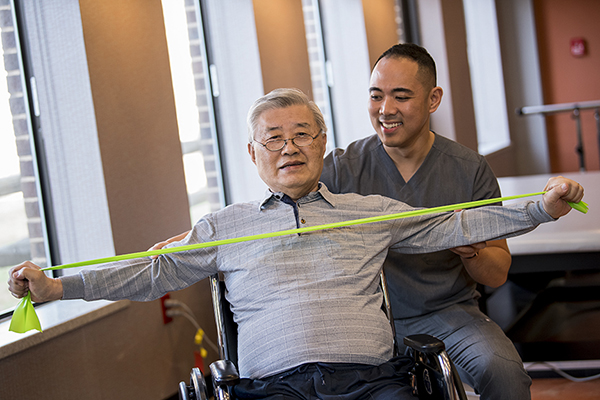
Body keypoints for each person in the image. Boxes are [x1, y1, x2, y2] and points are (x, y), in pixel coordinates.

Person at [8, 88, 583, 400]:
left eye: (302, 134)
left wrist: (541, 209)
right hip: (270, 389)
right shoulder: (223, 226)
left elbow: (455, 225)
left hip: (371, 383)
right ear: (253, 155)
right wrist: (58, 285)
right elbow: (148, 273)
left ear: (323, 144)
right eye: (273, 139)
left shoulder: (369, 213)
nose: (289, 147)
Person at [320, 43, 532, 399]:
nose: (386, 110)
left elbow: (496, 273)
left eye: (401, 97)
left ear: (433, 99)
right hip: (364, 319)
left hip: (447, 313)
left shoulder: (468, 170)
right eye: (376, 96)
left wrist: (472, 253)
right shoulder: (341, 169)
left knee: (504, 372)